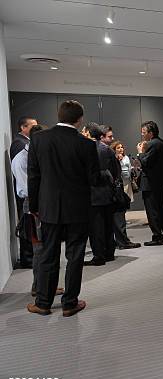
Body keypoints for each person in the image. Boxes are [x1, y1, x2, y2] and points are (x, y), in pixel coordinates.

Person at [27, 100, 104, 316]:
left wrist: (34, 206)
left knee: (48, 254)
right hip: (78, 208)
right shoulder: (87, 145)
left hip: (48, 207)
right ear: (80, 120)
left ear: (59, 115)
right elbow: (94, 179)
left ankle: (43, 302)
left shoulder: (39, 139)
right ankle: (70, 303)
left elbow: (33, 176)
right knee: (75, 255)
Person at [11, 124, 64, 297]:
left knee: (49, 247)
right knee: (39, 250)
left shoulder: (41, 156)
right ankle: (39, 287)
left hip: (46, 204)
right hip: (33, 207)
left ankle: (47, 285)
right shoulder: (20, 159)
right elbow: (26, 189)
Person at [86, 123, 120, 266]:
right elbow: (115, 171)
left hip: (93, 194)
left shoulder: (87, 149)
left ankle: (99, 255)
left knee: (96, 228)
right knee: (107, 225)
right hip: (108, 193)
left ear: (88, 134)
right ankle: (109, 253)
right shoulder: (108, 150)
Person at [137, 121, 163, 246]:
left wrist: (140, 152)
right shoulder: (161, 142)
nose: (142, 135)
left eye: (144, 133)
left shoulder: (153, 144)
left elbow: (146, 162)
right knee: (161, 208)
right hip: (159, 182)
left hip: (151, 183)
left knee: (152, 210)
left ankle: (157, 236)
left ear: (150, 133)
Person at [10, 116, 38, 269]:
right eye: (32, 126)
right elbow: (21, 173)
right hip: (26, 193)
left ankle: (30, 257)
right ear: (23, 127)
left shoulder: (23, 142)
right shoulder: (19, 144)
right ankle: (28, 258)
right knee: (28, 228)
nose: (35, 128)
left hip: (29, 193)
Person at [110, 140, 140, 250]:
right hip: (118, 187)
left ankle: (121, 239)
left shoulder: (126, 157)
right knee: (119, 214)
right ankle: (122, 241)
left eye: (122, 147)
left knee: (123, 211)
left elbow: (128, 171)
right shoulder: (113, 158)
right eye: (118, 148)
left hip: (126, 185)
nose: (121, 149)